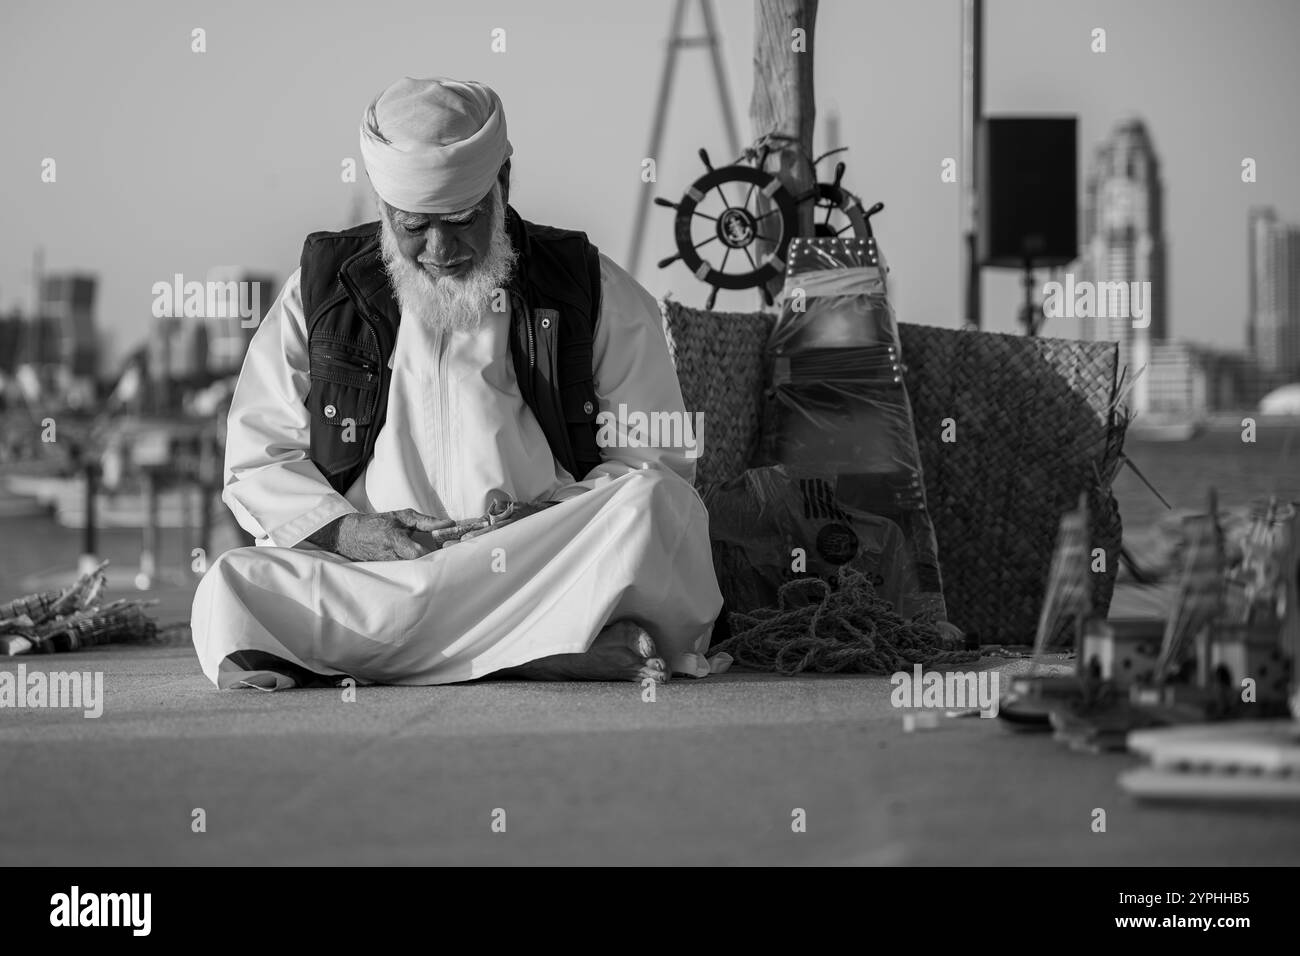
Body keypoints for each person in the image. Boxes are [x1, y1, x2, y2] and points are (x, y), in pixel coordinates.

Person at [191, 77, 725, 690]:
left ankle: (411, 654)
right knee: (229, 590)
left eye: (462, 219)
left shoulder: (586, 285)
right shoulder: (320, 292)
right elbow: (258, 459)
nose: (440, 249)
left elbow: (652, 456)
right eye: (414, 226)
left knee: (659, 509)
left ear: (502, 183)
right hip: (376, 578)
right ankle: (537, 651)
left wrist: (545, 513)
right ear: (383, 203)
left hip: (540, 565)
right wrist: (350, 532)